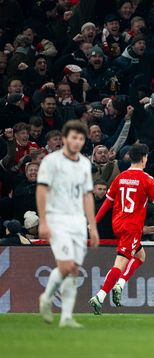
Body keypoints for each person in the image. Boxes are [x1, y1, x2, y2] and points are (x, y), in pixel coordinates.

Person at [89, 143, 154, 314]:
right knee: (121, 262)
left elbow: (107, 203)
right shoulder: (147, 179)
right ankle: (100, 296)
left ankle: (120, 284)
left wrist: (94, 221)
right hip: (131, 226)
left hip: (118, 223)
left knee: (140, 256)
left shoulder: (120, 177)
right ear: (144, 158)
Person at [37, 120, 99, 328]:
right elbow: (42, 190)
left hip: (77, 221)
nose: (77, 141)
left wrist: (93, 225)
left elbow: (87, 196)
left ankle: (65, 317)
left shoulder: (83, 163)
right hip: (57, 219)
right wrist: (43, 221)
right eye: (73, 137)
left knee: (74, 270)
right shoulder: (51, 162)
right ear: (64, 139)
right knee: (66, 265)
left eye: (81, 138)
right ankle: (46, 298)